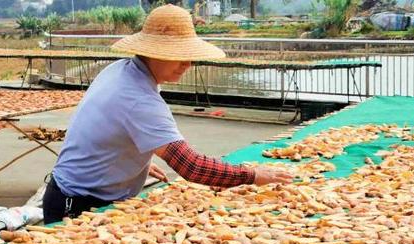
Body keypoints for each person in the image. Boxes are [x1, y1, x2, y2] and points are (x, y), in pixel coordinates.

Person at [43, 4, 292, 224]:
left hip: (75, 192)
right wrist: (253, 175)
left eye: (188, 56)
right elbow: (190, 166)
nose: (187, 64)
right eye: (179, 56)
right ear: (153, 52)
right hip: (77, 206)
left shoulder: (120, 70)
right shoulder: (139, 98)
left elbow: (100, 127)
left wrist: (134, 155)